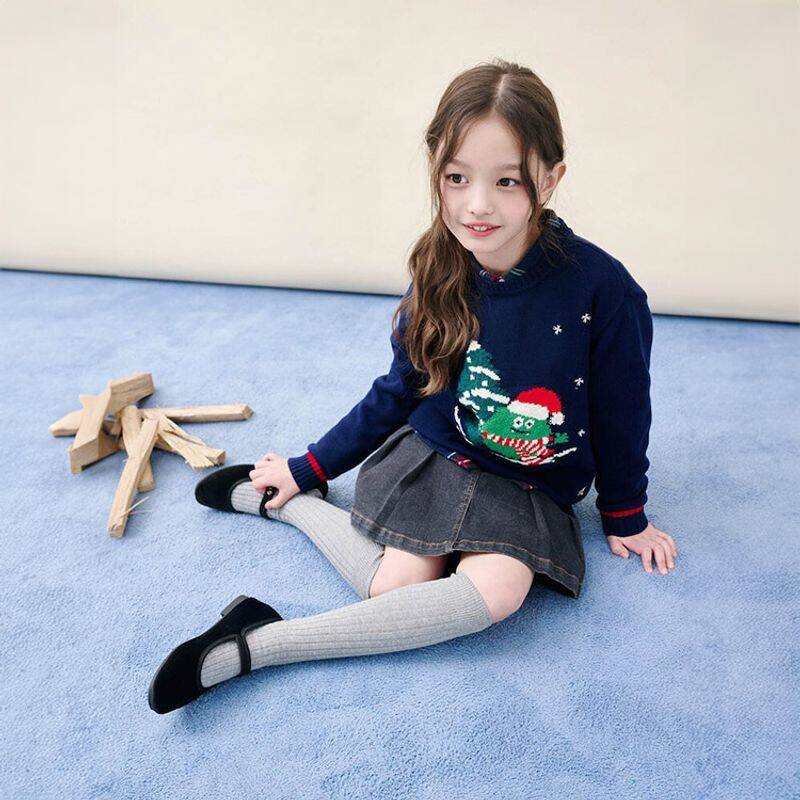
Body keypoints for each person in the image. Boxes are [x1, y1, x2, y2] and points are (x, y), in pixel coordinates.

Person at [148, 58, 677, 714]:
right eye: (457, 178)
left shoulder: (602, 288)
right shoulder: (439, 269)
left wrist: (626, 510)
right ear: (436, 171)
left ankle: (261, 645)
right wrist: (310, 467)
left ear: (550, 178)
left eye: (507, 180)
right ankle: (286, 506)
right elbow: (399, 387)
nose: (477, 204)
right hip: (441, 455)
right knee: (393, 588)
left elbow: (624, 407)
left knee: (500, 590)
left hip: (528, 484)